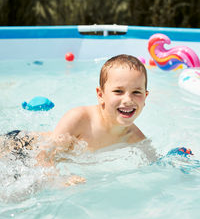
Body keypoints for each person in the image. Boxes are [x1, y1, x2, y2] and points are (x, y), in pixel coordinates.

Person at [0, 54, 154, 170]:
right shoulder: (80, 118)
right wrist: (59, 181)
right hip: (20, 147)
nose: (128, 100)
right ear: (101, 95)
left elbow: (156, 165)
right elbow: (43, 156)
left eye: (136, 92)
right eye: (118, 91)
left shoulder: (135, 137)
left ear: (145, 97)